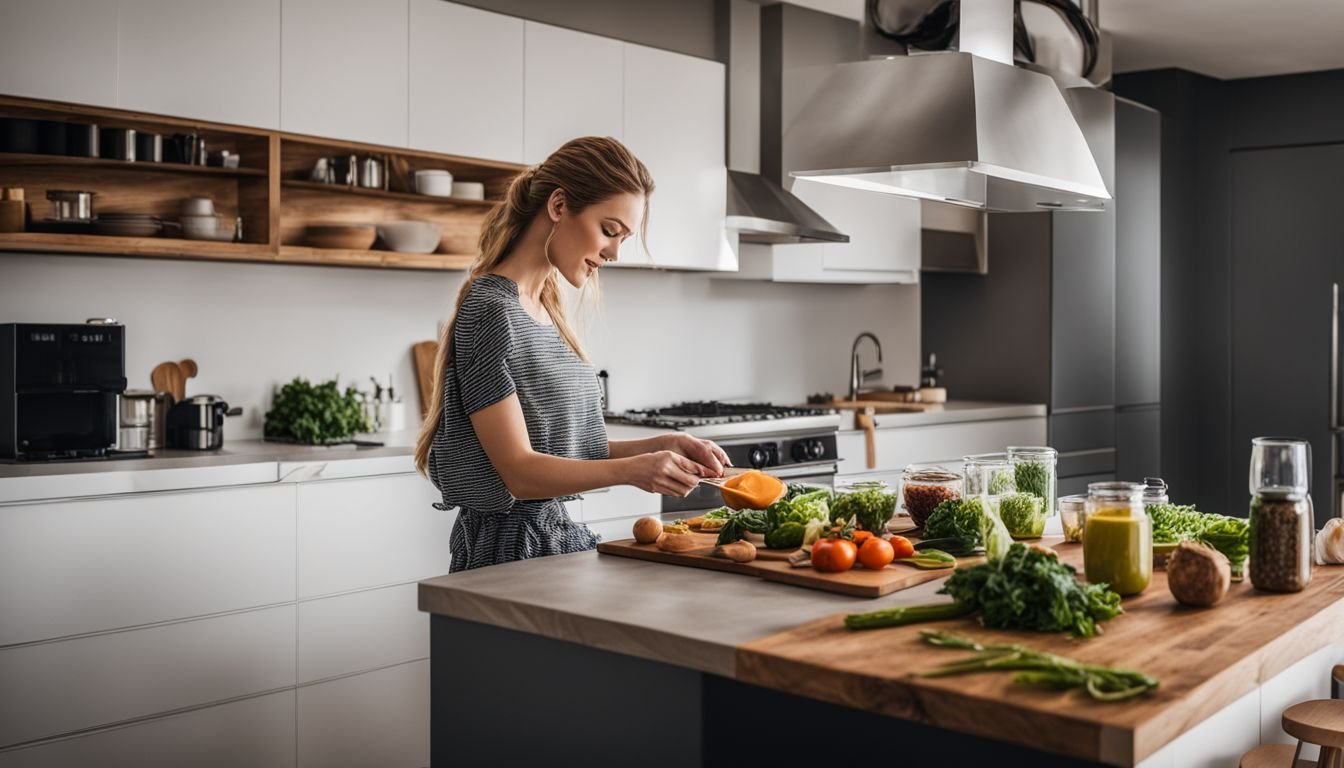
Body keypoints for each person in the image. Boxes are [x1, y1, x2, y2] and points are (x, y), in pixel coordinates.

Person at [414, 137, 729, 572]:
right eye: (609, 230)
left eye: (623, 238)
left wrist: (663, 445)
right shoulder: (489, 310)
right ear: (559, 206)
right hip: (507, 551)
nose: (615, 252)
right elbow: (521, 474)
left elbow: (565, 452)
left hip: (549, 538)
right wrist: (635, 470)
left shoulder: (544, 307)